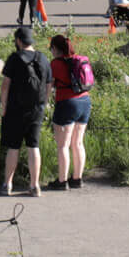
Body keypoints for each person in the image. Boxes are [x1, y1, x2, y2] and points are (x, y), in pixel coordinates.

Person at [0, 25, 51, 196]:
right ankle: (35, 186)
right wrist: (44, 103)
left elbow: (5, 86)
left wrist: (4, 107)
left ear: (19, 41)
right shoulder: (43, 58)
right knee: (33, 146)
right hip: (36, 109)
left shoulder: (14, 58)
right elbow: (49, 84)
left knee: (14, 147)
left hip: (16, 109)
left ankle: (8, 184)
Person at [47, 34, 91, 191]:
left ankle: (62, 181)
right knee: (78, 143)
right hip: (85, 101)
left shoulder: (55, 64)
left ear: (55, 48)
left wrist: (44, 102)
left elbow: (49, 86)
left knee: (63, 146)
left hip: (66, 103)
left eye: (51, 48)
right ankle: (77, 179)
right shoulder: (80, 59)